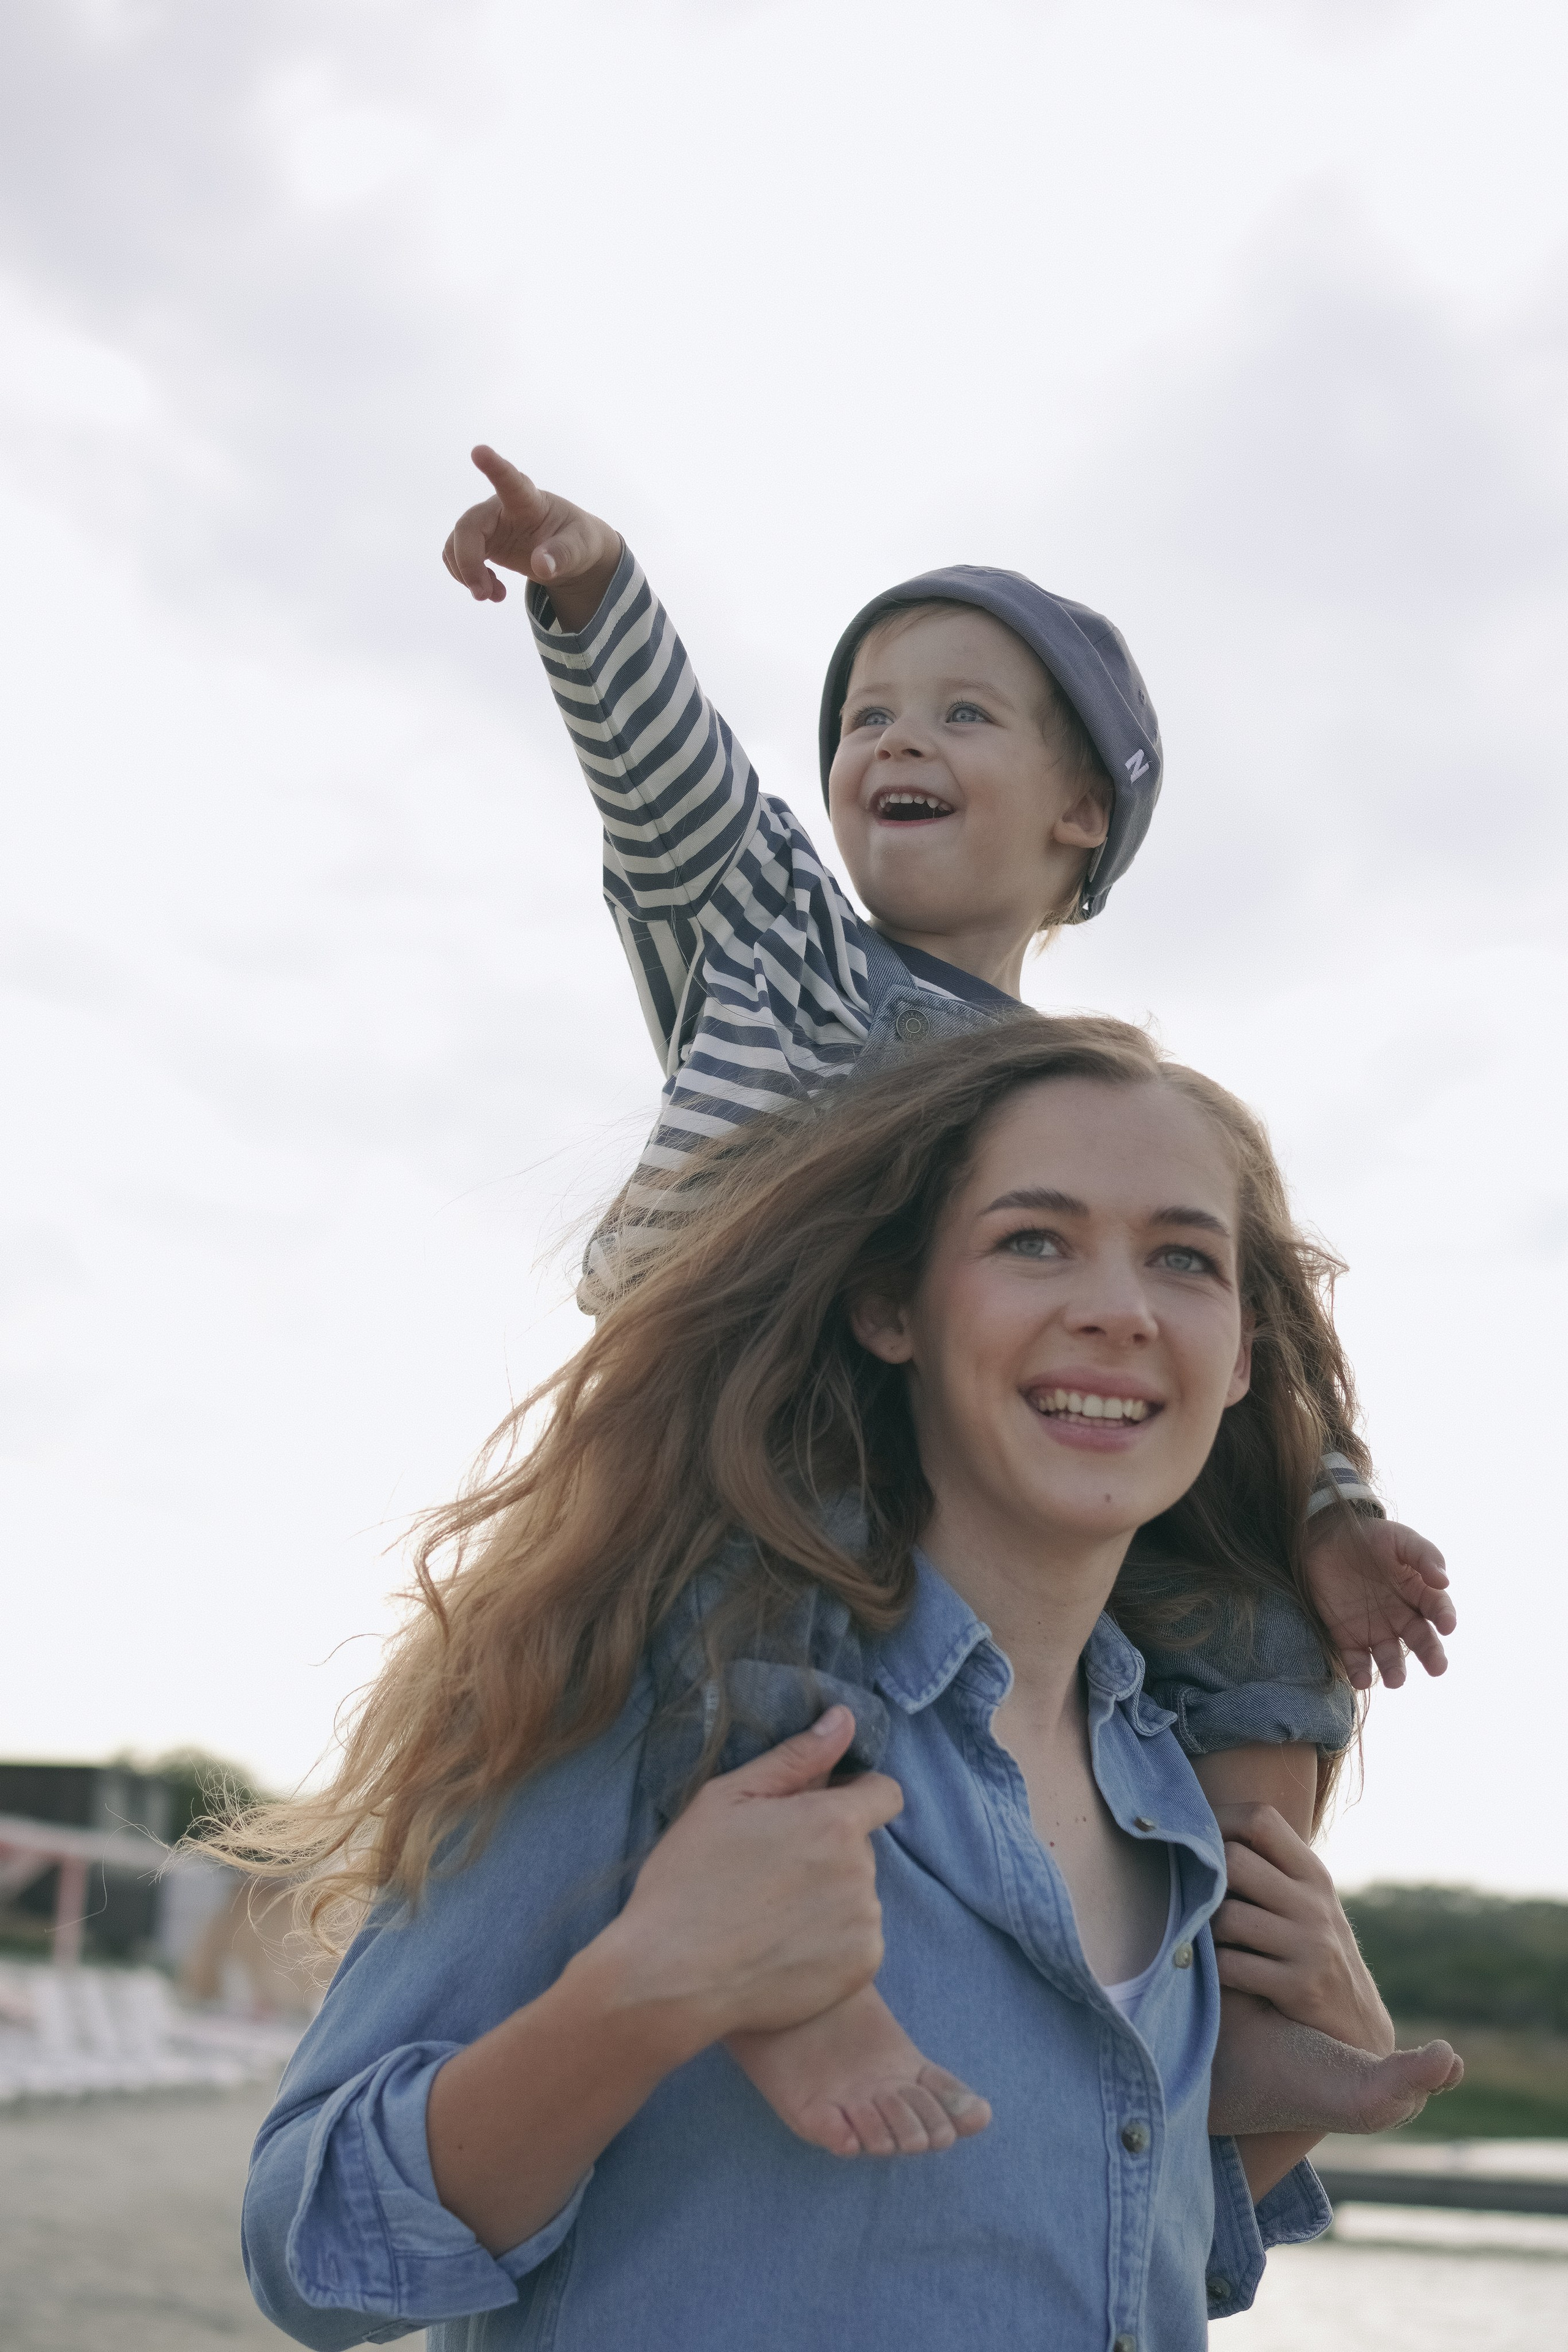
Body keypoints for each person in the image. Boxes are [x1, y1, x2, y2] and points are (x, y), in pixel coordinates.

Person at [434, 451, 1457, 2144]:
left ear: (1082, 818)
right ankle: (804, 1988)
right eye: (866, 720)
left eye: (966, 716)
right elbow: (680, 800)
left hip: (979, 1486)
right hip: (751, 1426)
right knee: (763, 1625)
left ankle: (1253, 2005)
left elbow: (1257, 1324)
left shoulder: (1093, 1091)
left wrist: (1333, 1511)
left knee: (1264, 1620)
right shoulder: (779, 949)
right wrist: (596, 595)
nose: (896, 743)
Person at [233, 1018, 1458, 2350]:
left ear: (1234, 1361)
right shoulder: (675, 1694)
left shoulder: (1171, 1799)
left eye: (1180, 1258)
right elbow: (313, 2247)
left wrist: (1302, 2082)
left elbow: (1101, 2264)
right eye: (1030, 1240)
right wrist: (643, 1994)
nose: (1117, 1306)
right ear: (893, 1309)